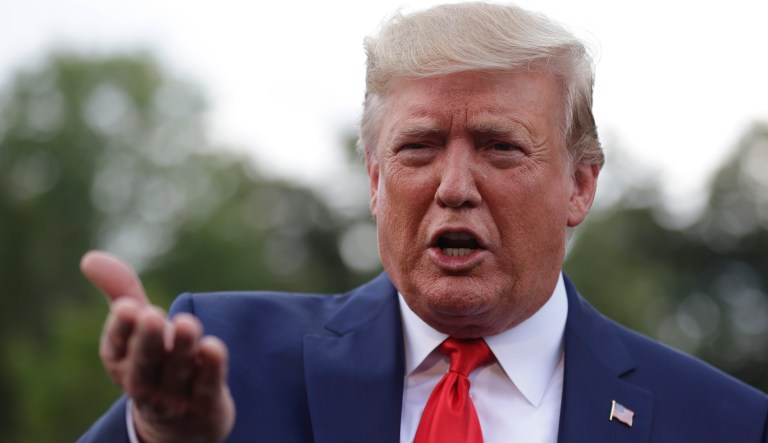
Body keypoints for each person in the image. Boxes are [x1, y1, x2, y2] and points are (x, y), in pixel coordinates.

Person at [79, 3, 767, 442]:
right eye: (418, 147)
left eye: (500, 146)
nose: (455, 187)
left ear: (580, 185)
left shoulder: (725, 423)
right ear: (376, 181)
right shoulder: (220, 359)